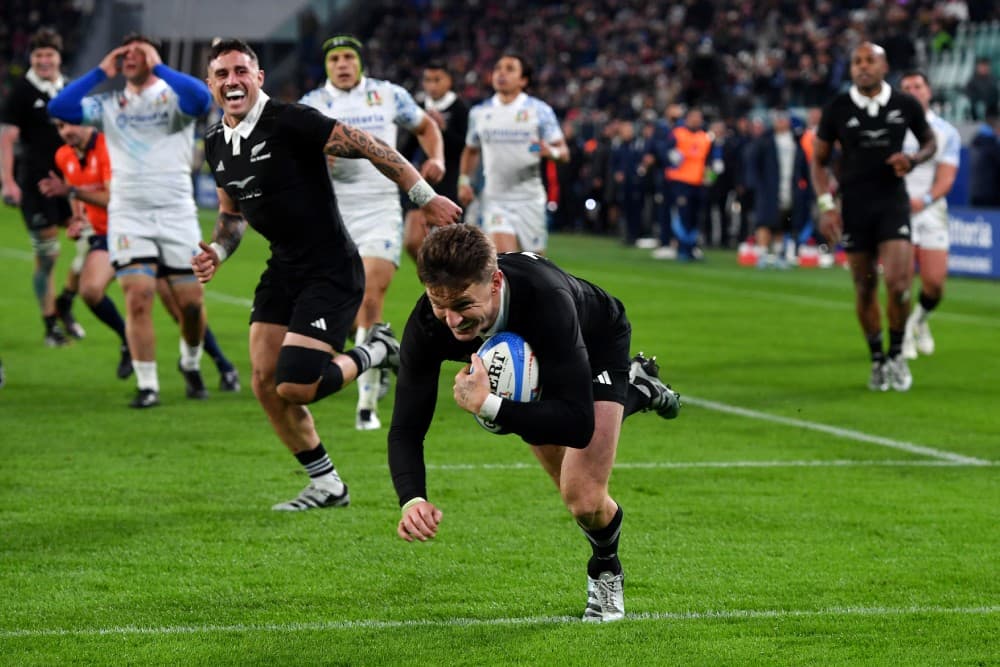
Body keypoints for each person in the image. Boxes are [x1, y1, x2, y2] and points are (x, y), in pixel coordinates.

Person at [191, 39, 461, 511]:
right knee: (263, 380)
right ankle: (328, 485)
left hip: (331, 267)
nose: (231, 80)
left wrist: (423, 196)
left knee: (297, 385)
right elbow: (232, 215)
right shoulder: (216, 143)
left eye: (241, 71)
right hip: (283, 268)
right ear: (211, 84)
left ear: (258, 78)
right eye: (221, 74)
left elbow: (370, 145)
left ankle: (379, 348)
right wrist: (216, 249)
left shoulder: (290, 120)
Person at [389, 224, 681, 623]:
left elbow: (578, 425)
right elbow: (406, 425)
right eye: (439, 304)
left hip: (594, 344)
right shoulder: (430, 321)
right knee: (562, 476)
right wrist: (412, 499)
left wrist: (490, 405)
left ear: (494, 282)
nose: (452, 321)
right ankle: (641, 390)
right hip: (535, 358)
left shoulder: (546, 301)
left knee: (583, 498)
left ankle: (605, 569)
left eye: (462, 304)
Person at [48, 34, 215, 408]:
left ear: (153, 56)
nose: (129, 59)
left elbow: (202, 100)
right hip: (129, 215)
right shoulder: (109, 104)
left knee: (191, 304)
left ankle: (190, 362)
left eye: (137, 53)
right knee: (138, 299)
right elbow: (61, 106)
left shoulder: (173, 99)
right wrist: (99, 71)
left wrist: (158, 66)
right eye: (123, 55)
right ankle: (148, 385)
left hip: (176, 213)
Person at [300, 35, 447, 431]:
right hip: (332, 212)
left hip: (381, 206)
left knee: (369, 298)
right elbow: (293, 154)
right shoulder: (311, 105)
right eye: (335, 59)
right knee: (343, 307)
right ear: (327, 66)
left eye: (349, 57)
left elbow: (426, 126)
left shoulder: (387, 95)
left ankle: (366, 407)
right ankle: (379, 353)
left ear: (360, 62)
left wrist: (435, 158)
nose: (343, 64)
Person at [37, 120, 241, 389]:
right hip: (107, 235)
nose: (66, 132)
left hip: (138, 230)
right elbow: (75, 191)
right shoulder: (64, 155)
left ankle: (217, 364)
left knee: (182, 306)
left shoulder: (110, 148)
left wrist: (73, 193)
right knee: (91, 289)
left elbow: (111, 196)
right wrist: (76, 218)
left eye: (71, 125)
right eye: (60, 127)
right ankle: (128, 343)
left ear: (88, 123)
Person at [810, 43, 936, 392]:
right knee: (865, 287)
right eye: (857, 62)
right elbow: (818, 160)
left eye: (870, 61)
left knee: (898, 286)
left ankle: (896, 354)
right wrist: (825, 205)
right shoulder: (837, 106)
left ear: (884, 67)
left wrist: (913, 160)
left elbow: (929, 142)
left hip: (892, 203)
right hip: (854, 206)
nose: (862, 67)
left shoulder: (904, 104)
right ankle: (877, 360)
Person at [0, 27, 82, 347]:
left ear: (59, 58)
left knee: (91, 245)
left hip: (72, 183)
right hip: (36, 185)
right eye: (38, 56)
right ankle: (51, 325)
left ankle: (67, 300)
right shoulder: (22, 91)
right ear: (31, 59)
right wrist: (7, 181)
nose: (44, 61)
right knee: (49, 255)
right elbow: (7, 138)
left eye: (49, 55)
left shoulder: (69, 88)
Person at [458, 52, 568, 254]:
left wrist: (549, 151)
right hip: (495, 200)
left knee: (534, 266)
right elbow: (471, 150)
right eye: (498, 68)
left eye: (510, 69)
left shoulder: (538, 111)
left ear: (523, 80)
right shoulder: (480, 113)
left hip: (529, 200)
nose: (501, 73)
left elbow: (563, 152)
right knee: (505, 260)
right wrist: (464, 181)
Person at [899, 71, 961, 361]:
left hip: (931, 209)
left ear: (928, 91)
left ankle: (919, 321)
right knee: (902, 278)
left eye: (917, 86)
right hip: (898, 208)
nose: (913, 90)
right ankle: (903, 334)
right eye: (906, 87)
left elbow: (947, 178)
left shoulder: (946, 132)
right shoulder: (892, 129)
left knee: (935, 282)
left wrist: (922, 200)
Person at [401, 61, 469, 259]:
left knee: (450, 246)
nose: (432, 85)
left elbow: (465, 148)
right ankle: (435, 281)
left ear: (449, 81)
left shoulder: (459, 108)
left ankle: (447, 284)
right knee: (413, 241)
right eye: (428, 80)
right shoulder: (420, 107)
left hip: (450, 181)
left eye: (437, 80)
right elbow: (410, 145)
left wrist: (443, 130)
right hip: (424, 180)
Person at [746, 110, 809, 268]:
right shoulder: (765, 141)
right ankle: (762, 254)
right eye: (778, 120)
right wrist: (756, 184)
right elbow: (753, 162)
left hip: (789, 187)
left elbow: (803, 165)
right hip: (769, 188)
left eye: (783, 119)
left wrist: (804, 185)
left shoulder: (795, 141)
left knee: (782, 221)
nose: (781, 122)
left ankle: (778, 254)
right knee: (765, 221)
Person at [664, 107, 711, 261]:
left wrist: (710, 177)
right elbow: (665, 150)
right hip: (680, 181)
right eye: (694, 117)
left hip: (698, 182)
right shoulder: (678, 133)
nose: (696, 120)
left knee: (695, 216)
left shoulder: (705, 137)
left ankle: (691, 247)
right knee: (683, 215)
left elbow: (711, 161)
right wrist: (671, 157)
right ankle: (682, 248)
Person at [965, 57, 999, 122]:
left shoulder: (993, 80)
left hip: (992, 111)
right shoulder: (972, 80)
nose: (984, 68)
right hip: (975, 112)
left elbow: (995, 95)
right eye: (982, 66)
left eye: (986, 66)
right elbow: (969, 94)